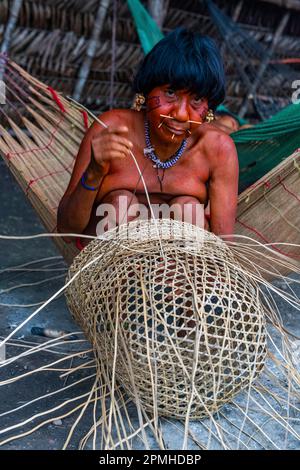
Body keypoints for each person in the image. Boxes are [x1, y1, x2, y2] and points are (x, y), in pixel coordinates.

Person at [57, 28, 239, 249]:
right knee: (122, 204)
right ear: (147, 92)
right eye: (170, 93)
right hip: (107, 263)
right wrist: (94, 172)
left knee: (188, 209)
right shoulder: (112, 130)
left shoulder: (217, 149)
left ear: (209, 109)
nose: (181, 114)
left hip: (178, 270)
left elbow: (223, 246)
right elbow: (66, 231)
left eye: (197, 99)